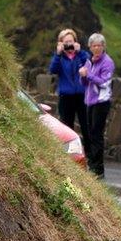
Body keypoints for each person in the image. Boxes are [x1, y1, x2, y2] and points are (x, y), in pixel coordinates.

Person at [48, 28, 90, 156]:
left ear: (75, 42)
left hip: (82, 95)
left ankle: (90, 155)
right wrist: (58, 53)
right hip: (66, 96)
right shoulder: (60, 58)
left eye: (71, 41)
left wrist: (80, 52)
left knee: (86, 126)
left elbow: (89, 63)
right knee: (67, 127)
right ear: (60, 43)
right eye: (65, 42)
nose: (68, 45)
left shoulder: (80, 55)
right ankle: (69, 157)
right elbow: (53, 70)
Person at [79, 33, 114, 178]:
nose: (97, 48)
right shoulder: (90, 61)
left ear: (103, 46)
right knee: (89, 133)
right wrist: (82, 76)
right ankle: (92, 164)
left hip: (101, 101)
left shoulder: (107, 62)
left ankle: (98, 169)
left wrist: (88, 75)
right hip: (90, 101)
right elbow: (84, 84)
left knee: (96, 134)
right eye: (94, 45)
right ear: (90, 47)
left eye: (99, 45)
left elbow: (104, 82)